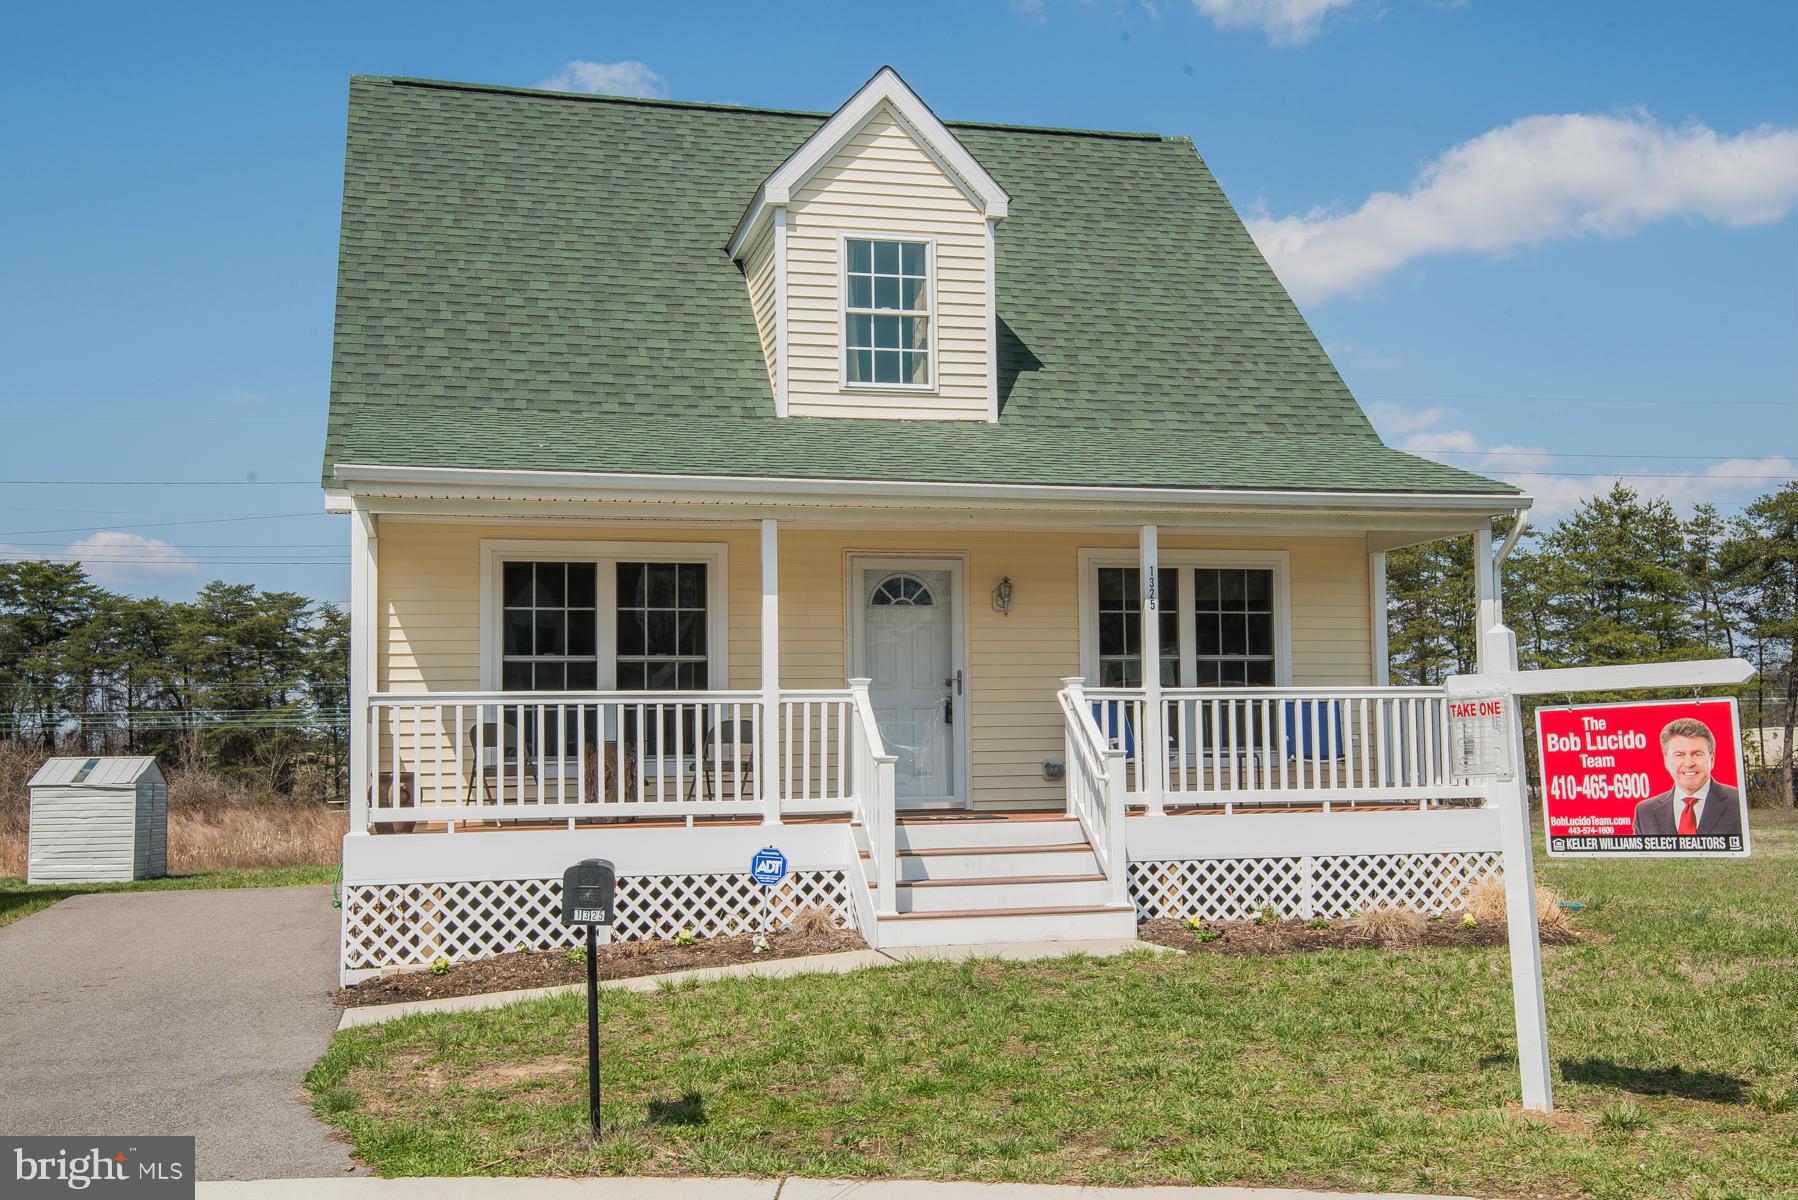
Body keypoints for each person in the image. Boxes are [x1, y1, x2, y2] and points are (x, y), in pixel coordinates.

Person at [1632, 717, 1743, 839]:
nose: (1689, 763)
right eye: (1679, 755)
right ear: (1666, 761)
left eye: (1697, 754)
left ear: (1712, 759)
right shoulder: (1645, 812)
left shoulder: (1739, 802)